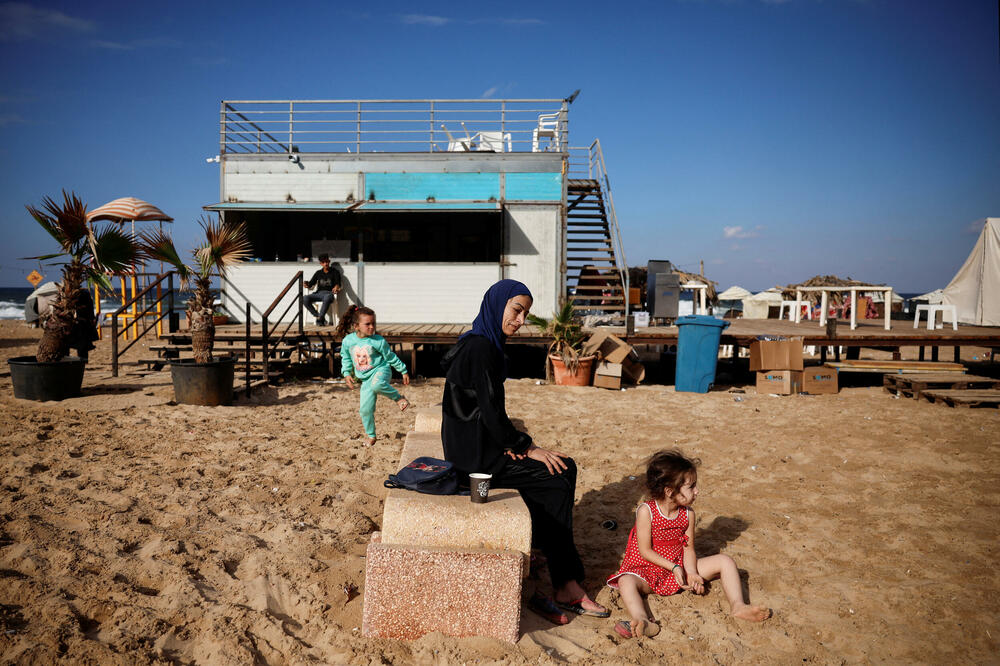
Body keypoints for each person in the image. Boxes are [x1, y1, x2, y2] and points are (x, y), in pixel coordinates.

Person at [440, 279, 608, 623]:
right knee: (561, 470)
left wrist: (510, 444)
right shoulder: (482, 350)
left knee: (548, 473)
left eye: (525, 314)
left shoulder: (475, 341)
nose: (520, 320)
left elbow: (481, 414)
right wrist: (524, 446)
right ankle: (567, 584)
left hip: (474, 450)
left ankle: (542, 549)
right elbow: (489, 412)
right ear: (497, 304)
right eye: (516, 310)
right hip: (474, 465)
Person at [607, 450, 770, 639]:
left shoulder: (688, 514)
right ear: (669, 491)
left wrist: (691, 573)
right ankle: (642, 619)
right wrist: (674, 567)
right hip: (647, 570)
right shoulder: (646, 511)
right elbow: (644, 551)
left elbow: (688, 548)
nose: (697, 491)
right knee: (626, 580)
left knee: (725, 561)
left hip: (679, 568)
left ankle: (738, 606)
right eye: (691, 486)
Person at [337, 305, 410, 445]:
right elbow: (345, 357)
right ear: (356, 326)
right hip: (365, 379)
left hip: (381, 370)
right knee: (365, 410)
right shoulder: (348, 341)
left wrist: (403, 370)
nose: (372, 327)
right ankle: (371, 435)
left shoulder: (378, 340)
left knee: (377, 385)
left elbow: (390, 357)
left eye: (373, 323)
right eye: (367, 324)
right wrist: (346, 374)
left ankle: (399, 398)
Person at [304, 254, 342, 326]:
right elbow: (311, 283)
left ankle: (320, 318)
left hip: (329, 293)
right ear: (321, 263)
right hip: (318, 293)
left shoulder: (335, 272)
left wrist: (336, 287)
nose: (326, 264)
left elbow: (338, 283)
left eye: (327, 262)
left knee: (327, 297)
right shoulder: (318, 273)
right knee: (305, 298)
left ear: (329, 261)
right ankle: (319, 317)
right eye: (323, 262)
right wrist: (306, 284)